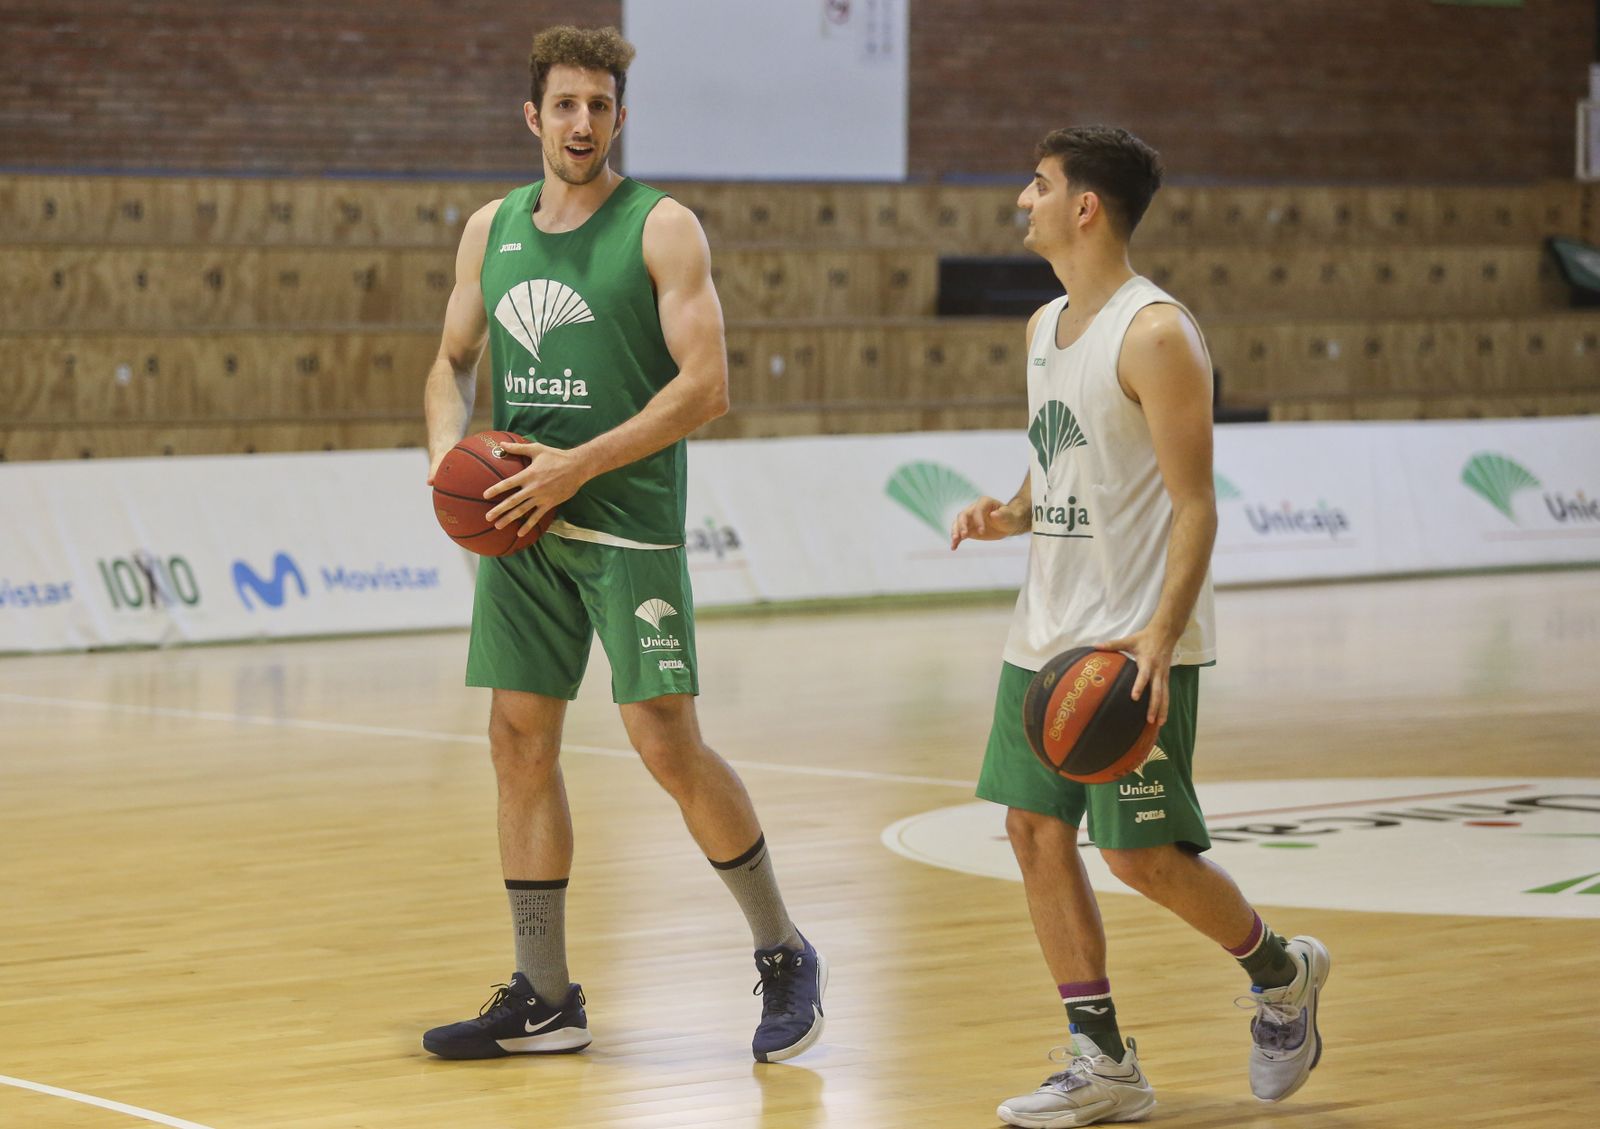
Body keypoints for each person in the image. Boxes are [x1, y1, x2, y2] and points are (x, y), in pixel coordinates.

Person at [419, 24, 824, 1064]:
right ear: (533, 117)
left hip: (623, 524)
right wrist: (443, 457)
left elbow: (706, 388)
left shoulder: (662, 227)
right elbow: (449, 361)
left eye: (600, 106)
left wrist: (576, 465)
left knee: (664, 744)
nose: (583, 123)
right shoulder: (489, 229)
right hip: (521, 524)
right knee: (517, 741)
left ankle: (782, 949)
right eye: (565, 105)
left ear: (619, 117)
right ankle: (545, 994)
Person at [950, 125, 1330, 1127]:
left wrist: (1159, 639)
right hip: (1042, 633)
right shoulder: (1043, 325)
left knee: (1142, 858)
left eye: (1036, 185)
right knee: (1032, 831)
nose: (1019, 200)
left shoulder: (1156, 332)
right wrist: (1011, 508)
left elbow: (1195, 502)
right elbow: (1062, 454)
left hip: (1128, 640)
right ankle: (1101, 1058)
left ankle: (1282, 973)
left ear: (1084, 206)